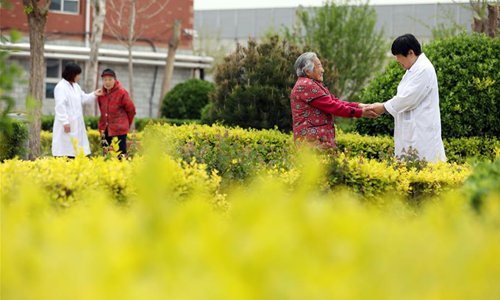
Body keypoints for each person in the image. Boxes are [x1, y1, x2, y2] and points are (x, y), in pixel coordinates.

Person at [369, 34, 446, 162]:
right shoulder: (413, 70)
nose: (398, 60)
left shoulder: (424, 70)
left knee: (424, 169)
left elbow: (407, 99)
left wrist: (383, 107)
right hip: (412, 131)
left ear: (410, 53)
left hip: (422, 134)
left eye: (399, 56)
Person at [290, 52, 378, 149]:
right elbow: (332, 106)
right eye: (319, 66)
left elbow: (334, 101)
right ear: (307, 71)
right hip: (312, 144)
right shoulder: (306, 85)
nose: (322, 70)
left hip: (318, 142)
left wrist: (358, 106)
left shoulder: (312, 83)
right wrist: (359, 112)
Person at [52, 63, 103, 158]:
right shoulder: (60, 87)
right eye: (78, 74)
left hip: (76, 123)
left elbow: (83, 98)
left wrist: (94, 94)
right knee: (65, 150)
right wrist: (65, 122)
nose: (79, 77)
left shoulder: (76, 86)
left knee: (76, 149)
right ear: (72, 74)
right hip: (66, 124)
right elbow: (60, 106)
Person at [97, 68, 136, 158]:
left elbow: (131, 110)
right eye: (105, 80)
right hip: (105, 129)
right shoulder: (101, 94)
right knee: (106, 155)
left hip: (119, 130)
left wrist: (126, 124)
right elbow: (102, 111)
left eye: (110, 79)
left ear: (115, 80)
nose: (107, 82)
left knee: (120, 156)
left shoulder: (122, 93)